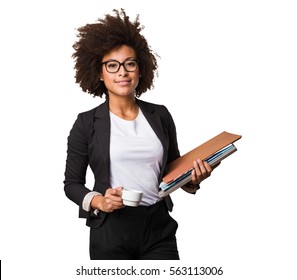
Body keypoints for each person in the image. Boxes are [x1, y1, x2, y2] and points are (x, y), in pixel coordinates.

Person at [64, 8, 214, 260]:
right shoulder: (86, 123)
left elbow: (171, 171)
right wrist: (99, 201)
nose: (122, 72)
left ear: (140, 69)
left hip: (158, 225)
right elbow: (72, 185)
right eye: (112, 65)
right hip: (111, 228)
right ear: (99, 73)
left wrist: (193, 179)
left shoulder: (160, 115)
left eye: (129, 63)